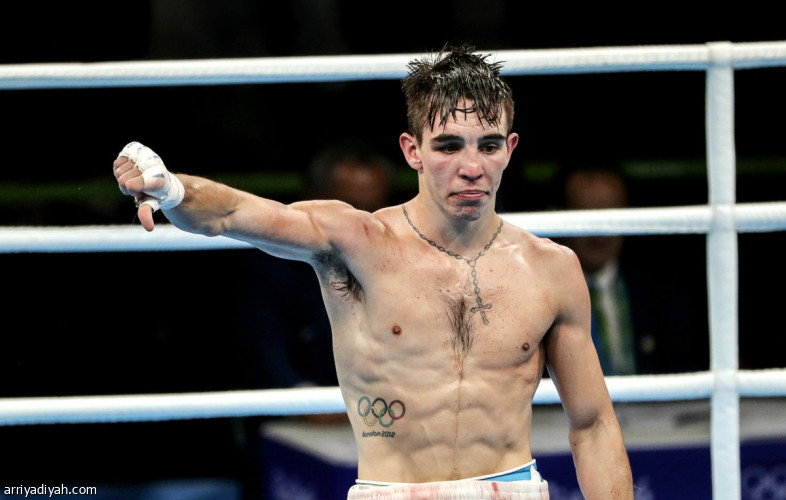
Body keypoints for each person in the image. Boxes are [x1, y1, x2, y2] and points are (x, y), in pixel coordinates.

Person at [113, 45, 632, 499]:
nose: (472, 167)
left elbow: (593, 425)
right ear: (412, 150)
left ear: (510, 149)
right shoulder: (356, 241)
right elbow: (231, 213)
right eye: (449, 146)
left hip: (514, 487)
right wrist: (171, 188)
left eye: (488, 145)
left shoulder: (551, 268)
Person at [238, 139, 394, 397]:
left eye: (374, 209)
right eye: (351, 208)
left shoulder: (401, 260)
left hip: (383, 407)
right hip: (296, 408)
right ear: (310, 200)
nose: (363, 222)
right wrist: (306, 400)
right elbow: (264, 348)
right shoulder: (272, 266)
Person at [556, 162, 706, 375]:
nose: (598, 232)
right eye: (585, 214)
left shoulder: (663, 300)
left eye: (610, 215)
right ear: (559, 214)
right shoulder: (538, 298)